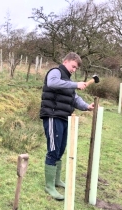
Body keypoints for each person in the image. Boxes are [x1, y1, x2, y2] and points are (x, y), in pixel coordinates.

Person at [40, 52, 94, 201]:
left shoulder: (68, 81)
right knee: (53, 149)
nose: (74, 70)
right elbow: (52, 83)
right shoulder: (55, 72)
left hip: (64, 118)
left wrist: (87, 106)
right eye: (73, 66)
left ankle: (56, 180)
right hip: (52, 116)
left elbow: (74, 98)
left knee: (61, 149)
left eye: (76, 68)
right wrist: (76, 84)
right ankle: (49, 186)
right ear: (66, 61)